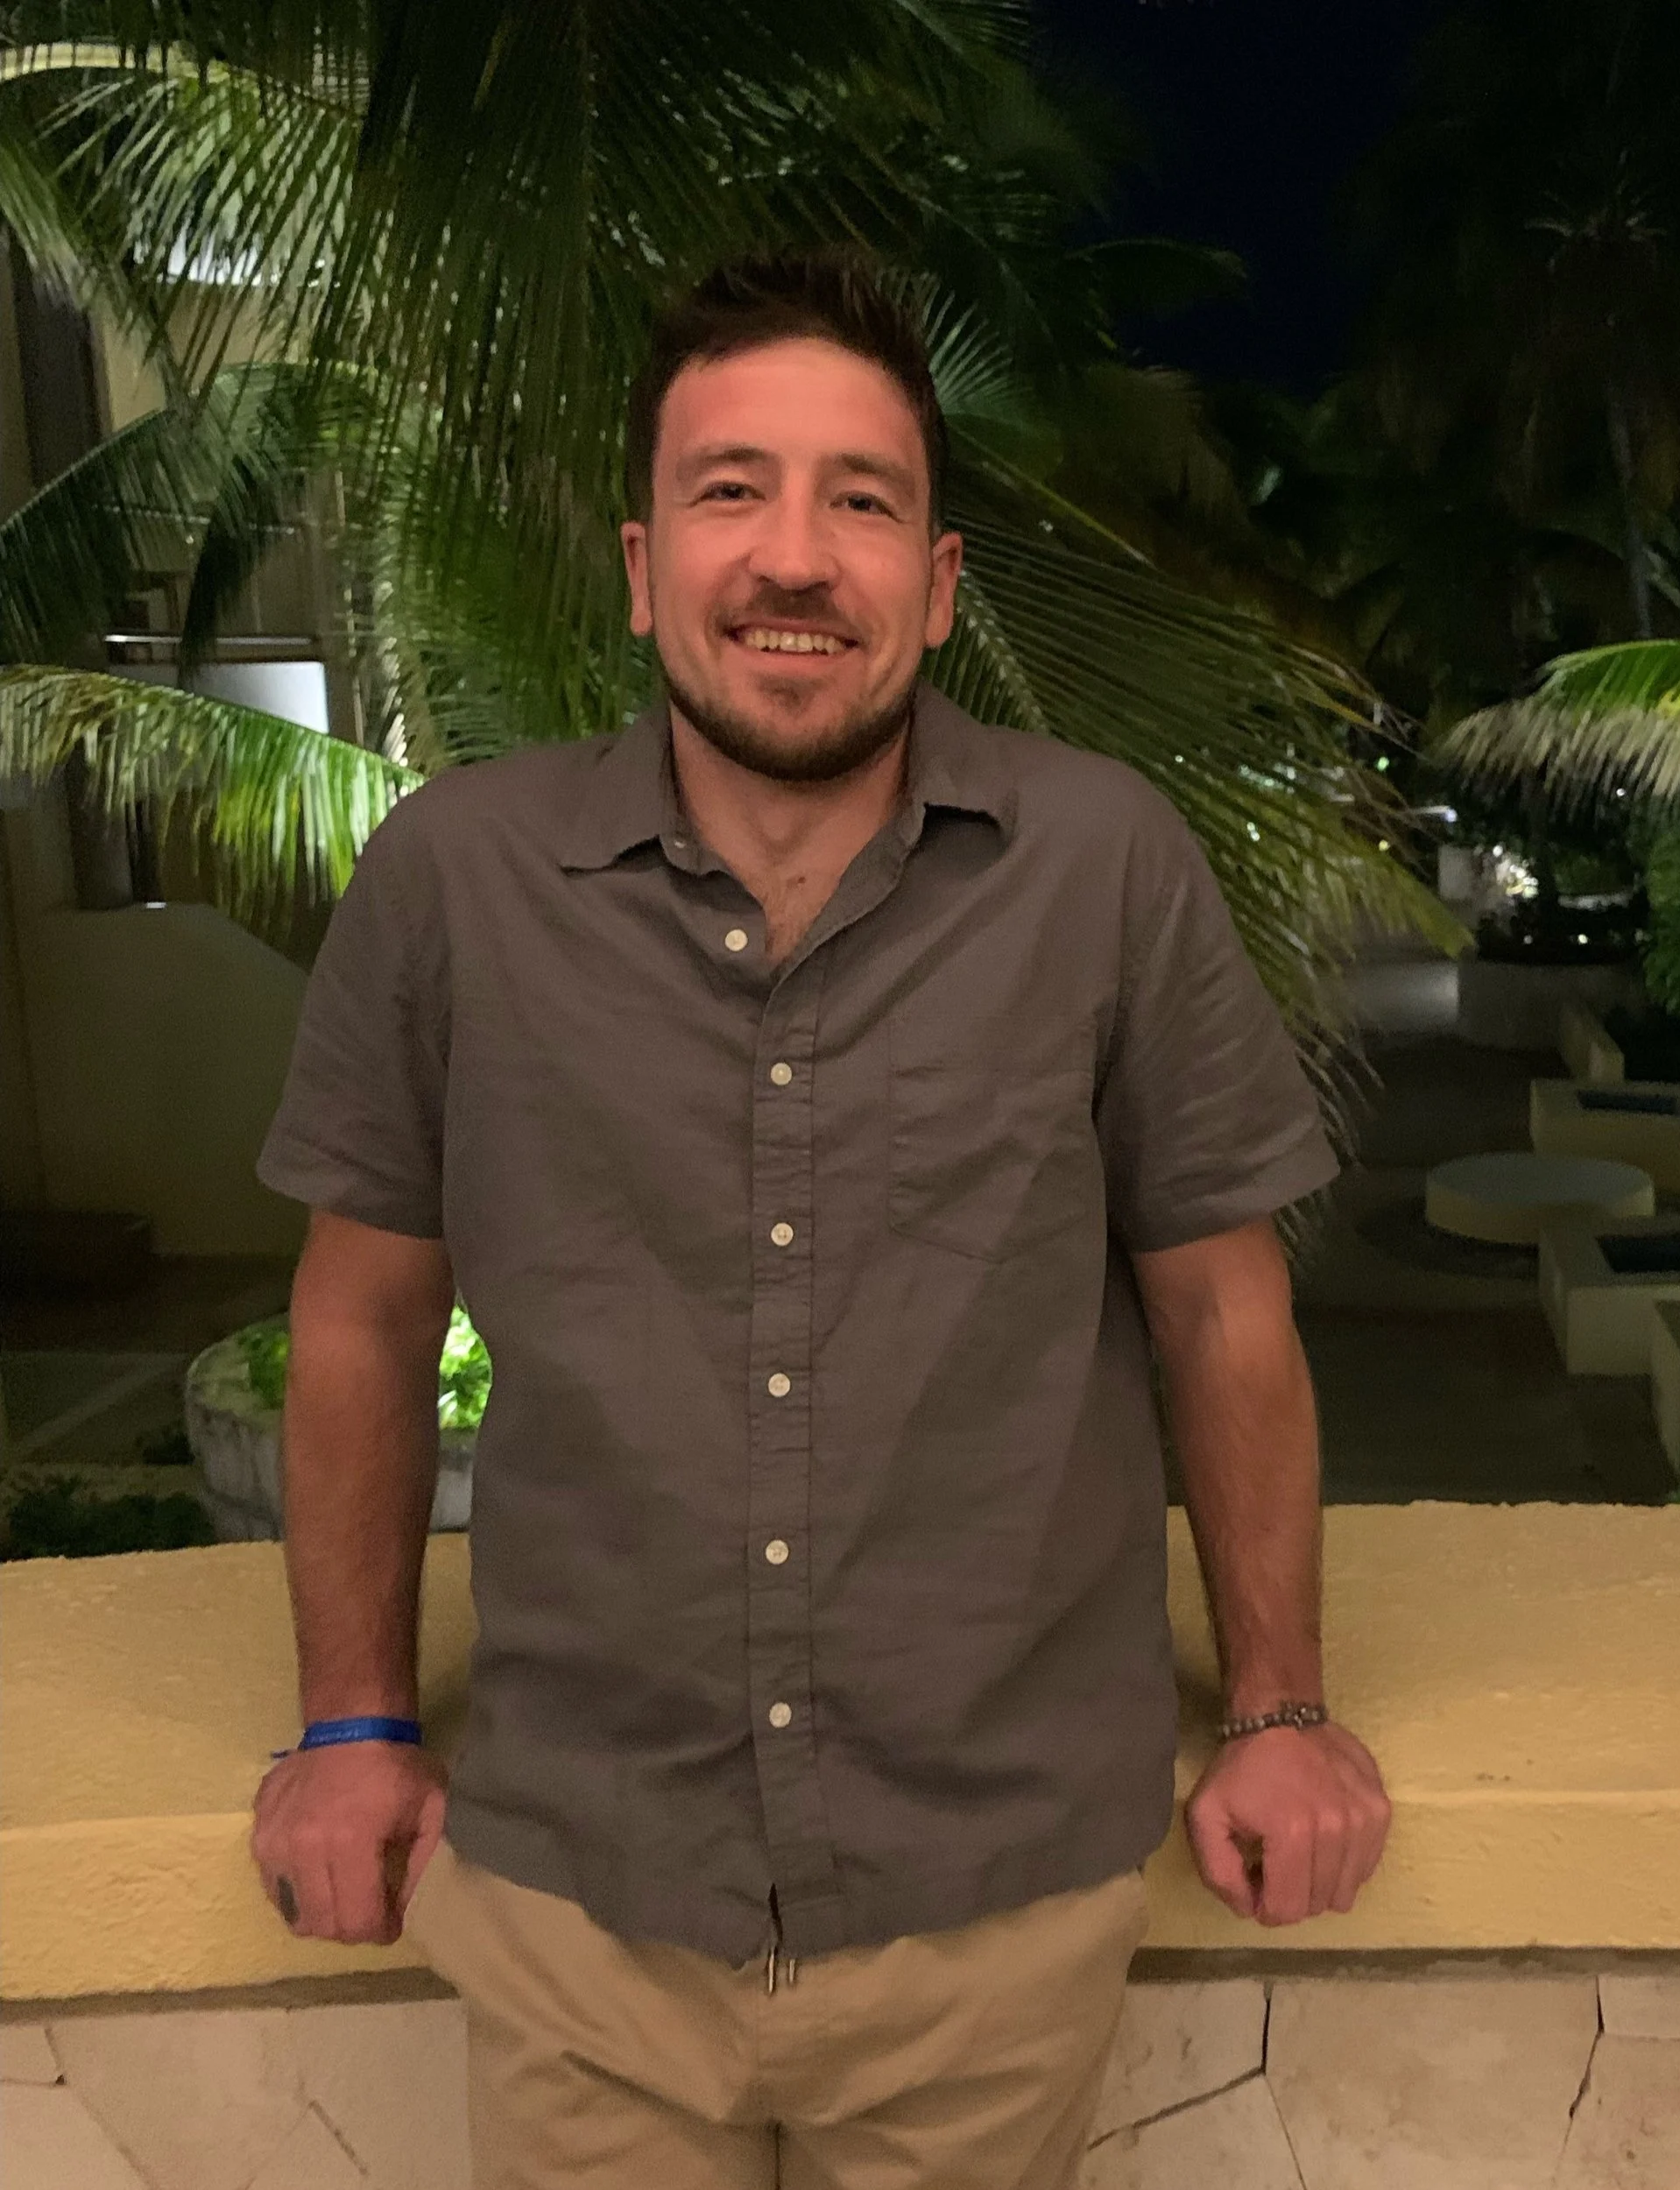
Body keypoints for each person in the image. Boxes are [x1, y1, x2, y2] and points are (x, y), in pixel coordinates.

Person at [249, 249, 1391, 2190]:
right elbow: (355, 1324)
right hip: (577, 1905)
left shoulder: (1101, 864)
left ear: (936, 586)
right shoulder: (457, 879)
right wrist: (352, 1715)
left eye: (860, 500)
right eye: (729, 490)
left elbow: (1218, 1309)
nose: (794, 556)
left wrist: (1276, 1701)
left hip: (993, 1915)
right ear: (638, 565)